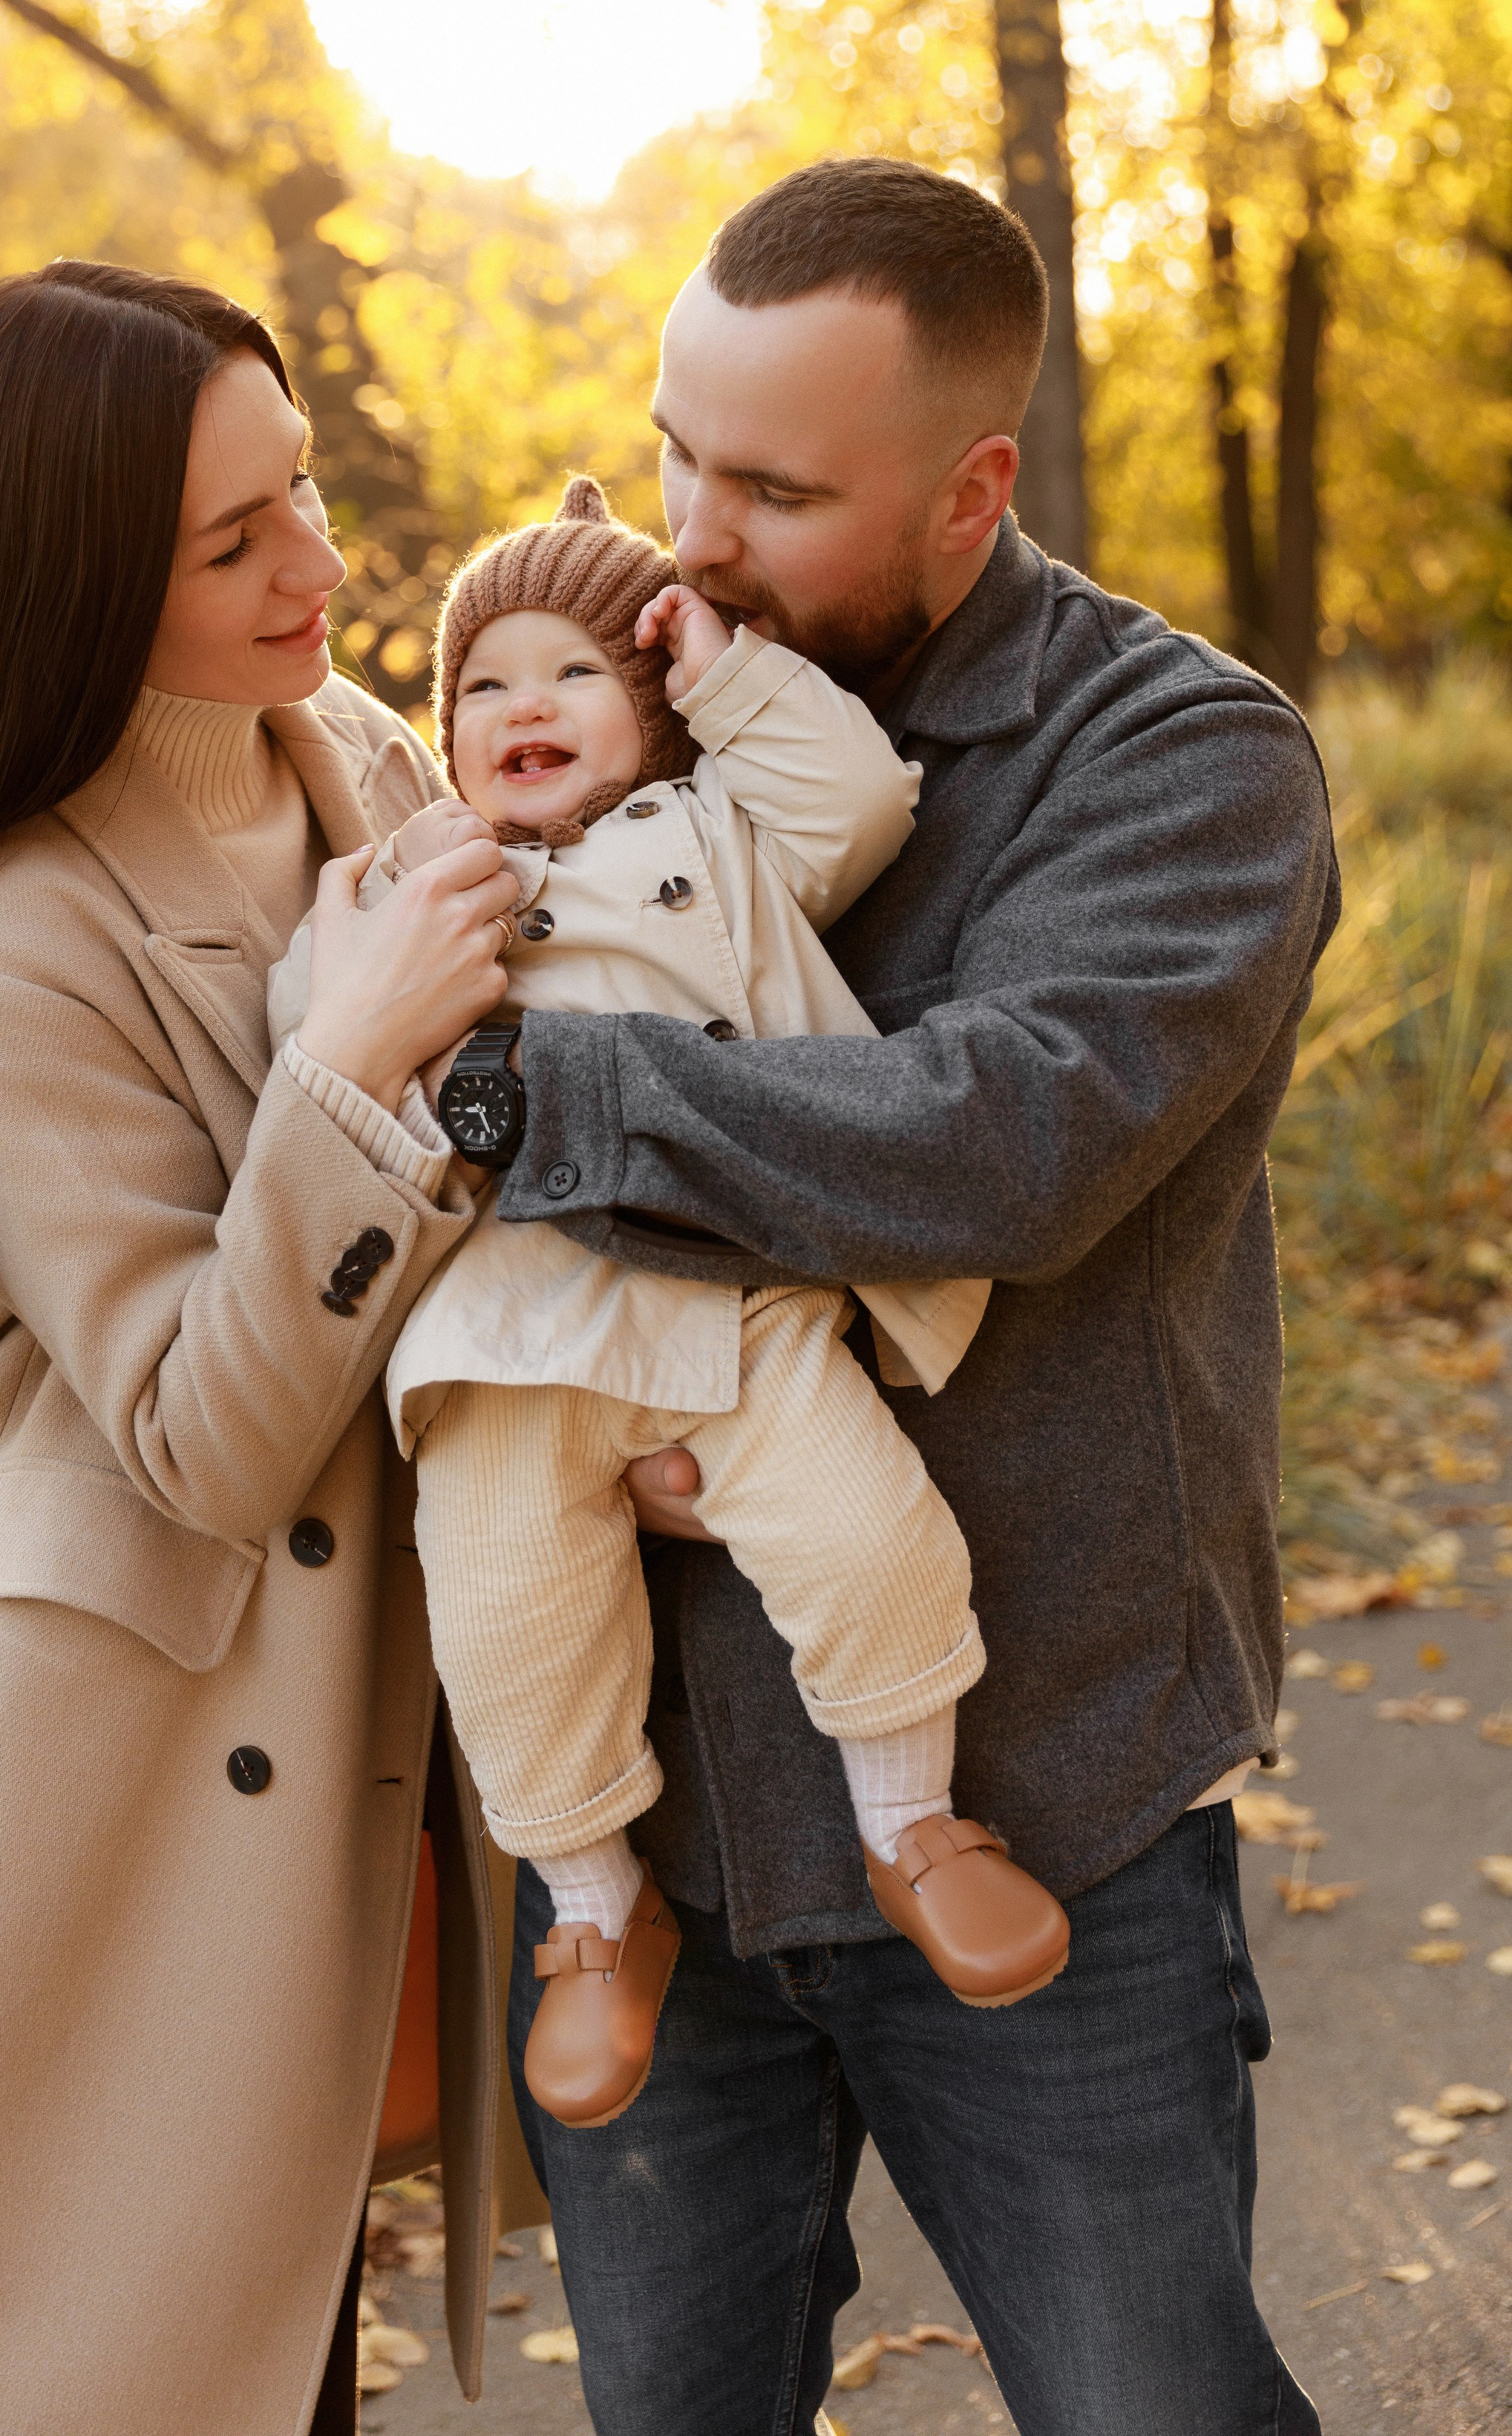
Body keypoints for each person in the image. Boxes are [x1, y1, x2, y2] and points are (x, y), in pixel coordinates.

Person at [477, 162, 1338, 2436]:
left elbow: (1000, 1143)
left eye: (774, 487)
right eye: (674, 450)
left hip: (1044, 1781)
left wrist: (529, 1100)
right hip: (651, 1835)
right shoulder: (604, 698)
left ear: (977, 488)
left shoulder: (1184, 761)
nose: (695, 533)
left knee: (1156, 2410)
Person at [0, 259, 552, 2436]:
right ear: (74, 578)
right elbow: (201, 1437)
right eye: (233, 545)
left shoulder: (357, 749)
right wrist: (344, 1071)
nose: (319, 570)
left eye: (306, 496)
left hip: (342, 1745)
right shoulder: (17, 936)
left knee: (256, 2344)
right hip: (95, 1785)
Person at [269, 477, 1069, 2135]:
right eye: (481, 686)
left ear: (645, 712)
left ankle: (913, 1820)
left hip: (733, 1284)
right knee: (505, 1622)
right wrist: (353, 958)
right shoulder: (430, 869)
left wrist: (715, 668)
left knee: (868, 1534)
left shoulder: (713, 833)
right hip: (508, 1336)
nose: (520, 709)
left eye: (570, 673)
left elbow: (850, 794)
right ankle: (589, 1912)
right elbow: (321, 1041)